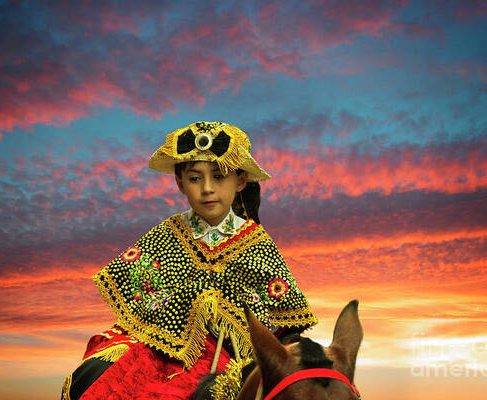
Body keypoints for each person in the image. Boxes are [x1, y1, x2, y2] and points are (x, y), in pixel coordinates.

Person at [61, 121, 317, 399]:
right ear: (180, 182)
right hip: (162, 342)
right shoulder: (167, 234)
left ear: (240, 181)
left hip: (234, 355)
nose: (207, 189)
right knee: (110, 374)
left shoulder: (257, 244)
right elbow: (144, 291)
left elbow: (280, 320)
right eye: (195, 178)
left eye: (219, 177)